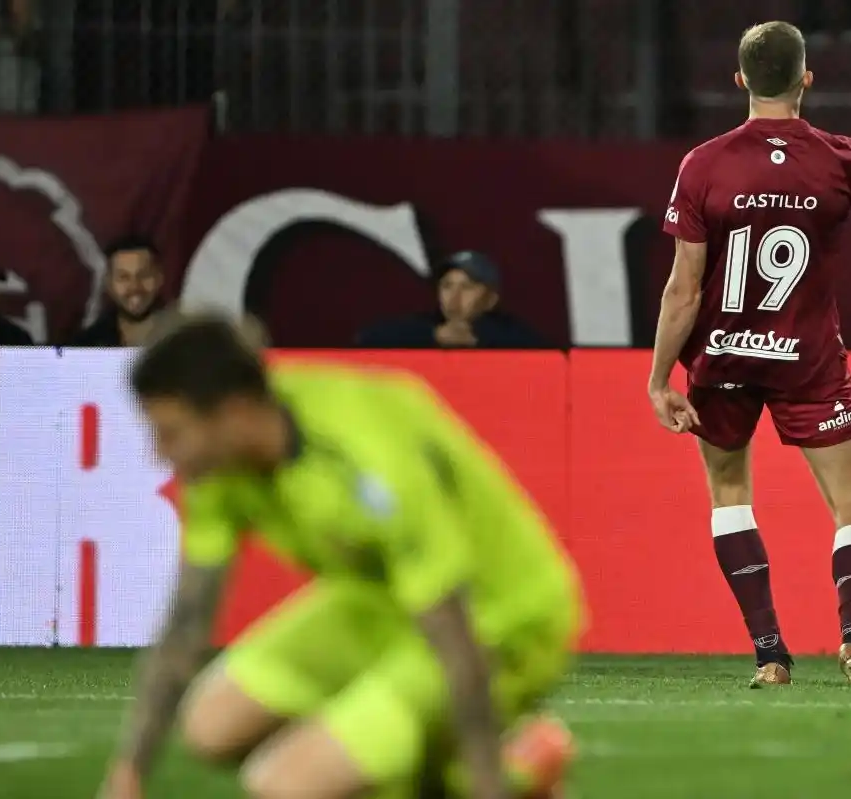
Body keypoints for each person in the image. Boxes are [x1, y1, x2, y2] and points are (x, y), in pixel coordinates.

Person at [98, 315, 583, 799]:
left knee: (284, 787)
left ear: (235, 412)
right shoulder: (218, 468)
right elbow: (188, 622)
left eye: (171, 433)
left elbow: (454, 635)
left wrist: (486, 786)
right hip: (381, 601)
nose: (161, 454)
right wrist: (129, 773)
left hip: (497, 617)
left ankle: (511, 764)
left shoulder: (366, 459)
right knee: (210, 727)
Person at [647, 21, 851, 689]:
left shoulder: (702, 163)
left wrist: (659, 374)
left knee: (728, 495)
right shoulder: (837, 156)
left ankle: (769, 654)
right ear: (807, 78)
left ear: (740, 80)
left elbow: (683, 286)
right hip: (806, 357)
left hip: (721, 355)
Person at [355, 251, 546, 349]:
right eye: (447, 286)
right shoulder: (425, 325)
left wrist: (478, 337)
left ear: (491, 299)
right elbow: (367, 339)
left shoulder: (509, 333)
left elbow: (546, 353)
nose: (455, 297)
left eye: (467, 287)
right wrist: (434, 336)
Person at [69, 237, 166, 347]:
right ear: (109, 284)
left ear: (159, 278)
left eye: (144, 275)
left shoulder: (182, 338)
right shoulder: (86, 346)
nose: (134, 286)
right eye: (123, 277)